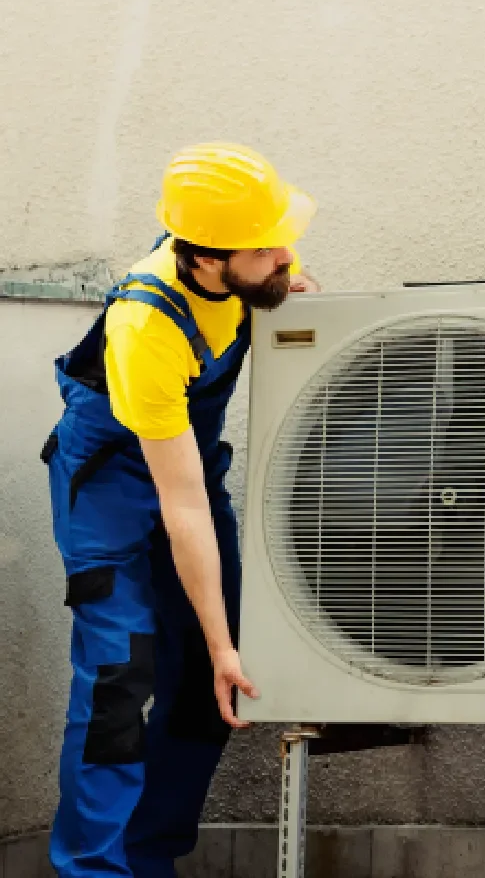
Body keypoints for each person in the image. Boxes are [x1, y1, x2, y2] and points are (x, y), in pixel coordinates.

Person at [41, 142, 321, 877]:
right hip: (113, 489)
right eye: (267, 247)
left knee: (209, 681)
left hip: (185, 473)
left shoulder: (237, 273)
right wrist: (223, 637)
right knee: (117, 681)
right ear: (204, 258)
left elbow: (193, 487)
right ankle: (94, 871)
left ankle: (147, 856)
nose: (285, 253)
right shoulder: (147, 325)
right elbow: (182, 505)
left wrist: (288, 286)